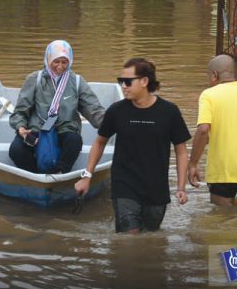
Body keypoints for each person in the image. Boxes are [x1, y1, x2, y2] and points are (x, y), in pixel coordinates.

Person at [74, 58, 191, 234]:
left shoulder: (169, 112)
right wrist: (87, 176)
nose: (123, 86)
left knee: (151, 236)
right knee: (130, 235)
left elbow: (181, 151)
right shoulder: (116, 111)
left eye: (128, 81)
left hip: (156, 187)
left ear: (144, 81)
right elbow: (99, 142)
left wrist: (181, 187)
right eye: (120, 81)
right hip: (124, 184)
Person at [9, 40, 105, 173]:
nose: (60, 67)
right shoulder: (34, 79)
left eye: (64, 62)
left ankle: (58, 173)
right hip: (37, 128)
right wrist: (20, 127)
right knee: (16, 150)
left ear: (70, 61)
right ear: (48, 60)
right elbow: (20, 110)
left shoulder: (76, 81)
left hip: (65, 128)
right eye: (56, 61)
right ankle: (35, 175)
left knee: (74, 141)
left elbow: (92, 108)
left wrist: (110, 124)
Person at [188, 54, 237, 207]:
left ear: (214, 75)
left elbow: (204, 130)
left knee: (221, 219)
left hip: (222, 170)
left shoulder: (209, 95)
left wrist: (192, 164)